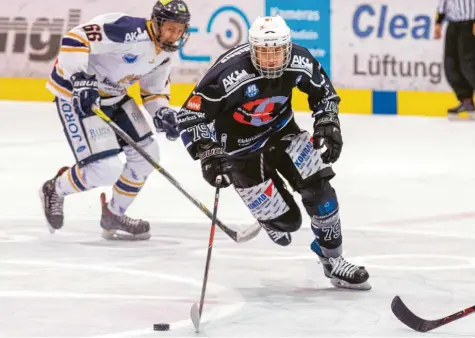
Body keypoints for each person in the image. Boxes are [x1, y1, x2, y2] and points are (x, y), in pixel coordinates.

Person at [177, 15, 370, 290]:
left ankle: (334, 261)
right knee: (288, 223)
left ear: (287, 48)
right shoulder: (229, 74)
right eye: (264, 53)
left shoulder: (299, 60)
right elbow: (189, 114)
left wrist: (328, 122)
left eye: (277, 52)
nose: (271, 60)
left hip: (282, 132)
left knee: (320, 190)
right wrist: (208, 152)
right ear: (252, 49)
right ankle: (269, 215)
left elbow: (324, 94)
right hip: (238, 149)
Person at [39, 0, 191, 240]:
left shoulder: (164, 54)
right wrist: (80, 77)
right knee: (105, 170)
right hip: (75, 95)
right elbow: (75, 39)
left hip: (114, 96)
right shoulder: (128, 30)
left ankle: (113, 213)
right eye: (171, 28)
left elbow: (153, 91)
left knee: (148, 156)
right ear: (157, 23)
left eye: (180, 30)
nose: (175, 35)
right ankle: (54, 188)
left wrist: (162, 111)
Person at [434, 0, 475, 119]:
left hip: (470, 23)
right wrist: (438, 21)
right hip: (453, 24)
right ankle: (466, 101)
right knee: (451, 64)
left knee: (469, 65)